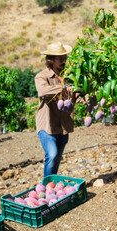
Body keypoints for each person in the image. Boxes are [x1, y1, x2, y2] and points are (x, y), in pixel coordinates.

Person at [35, 42, 81, 177]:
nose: (63, 61)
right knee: (52, 154)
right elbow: (43, 91)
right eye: (59, 58)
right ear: (51, 60)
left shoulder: (70, 76)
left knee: (56, 159)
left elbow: (76, 95)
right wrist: (65, 88)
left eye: (64, 57)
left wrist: (87, 98)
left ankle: (51, 186)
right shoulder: (42, 76)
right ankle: (47, 185)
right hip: (47, 125)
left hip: (63, 126)